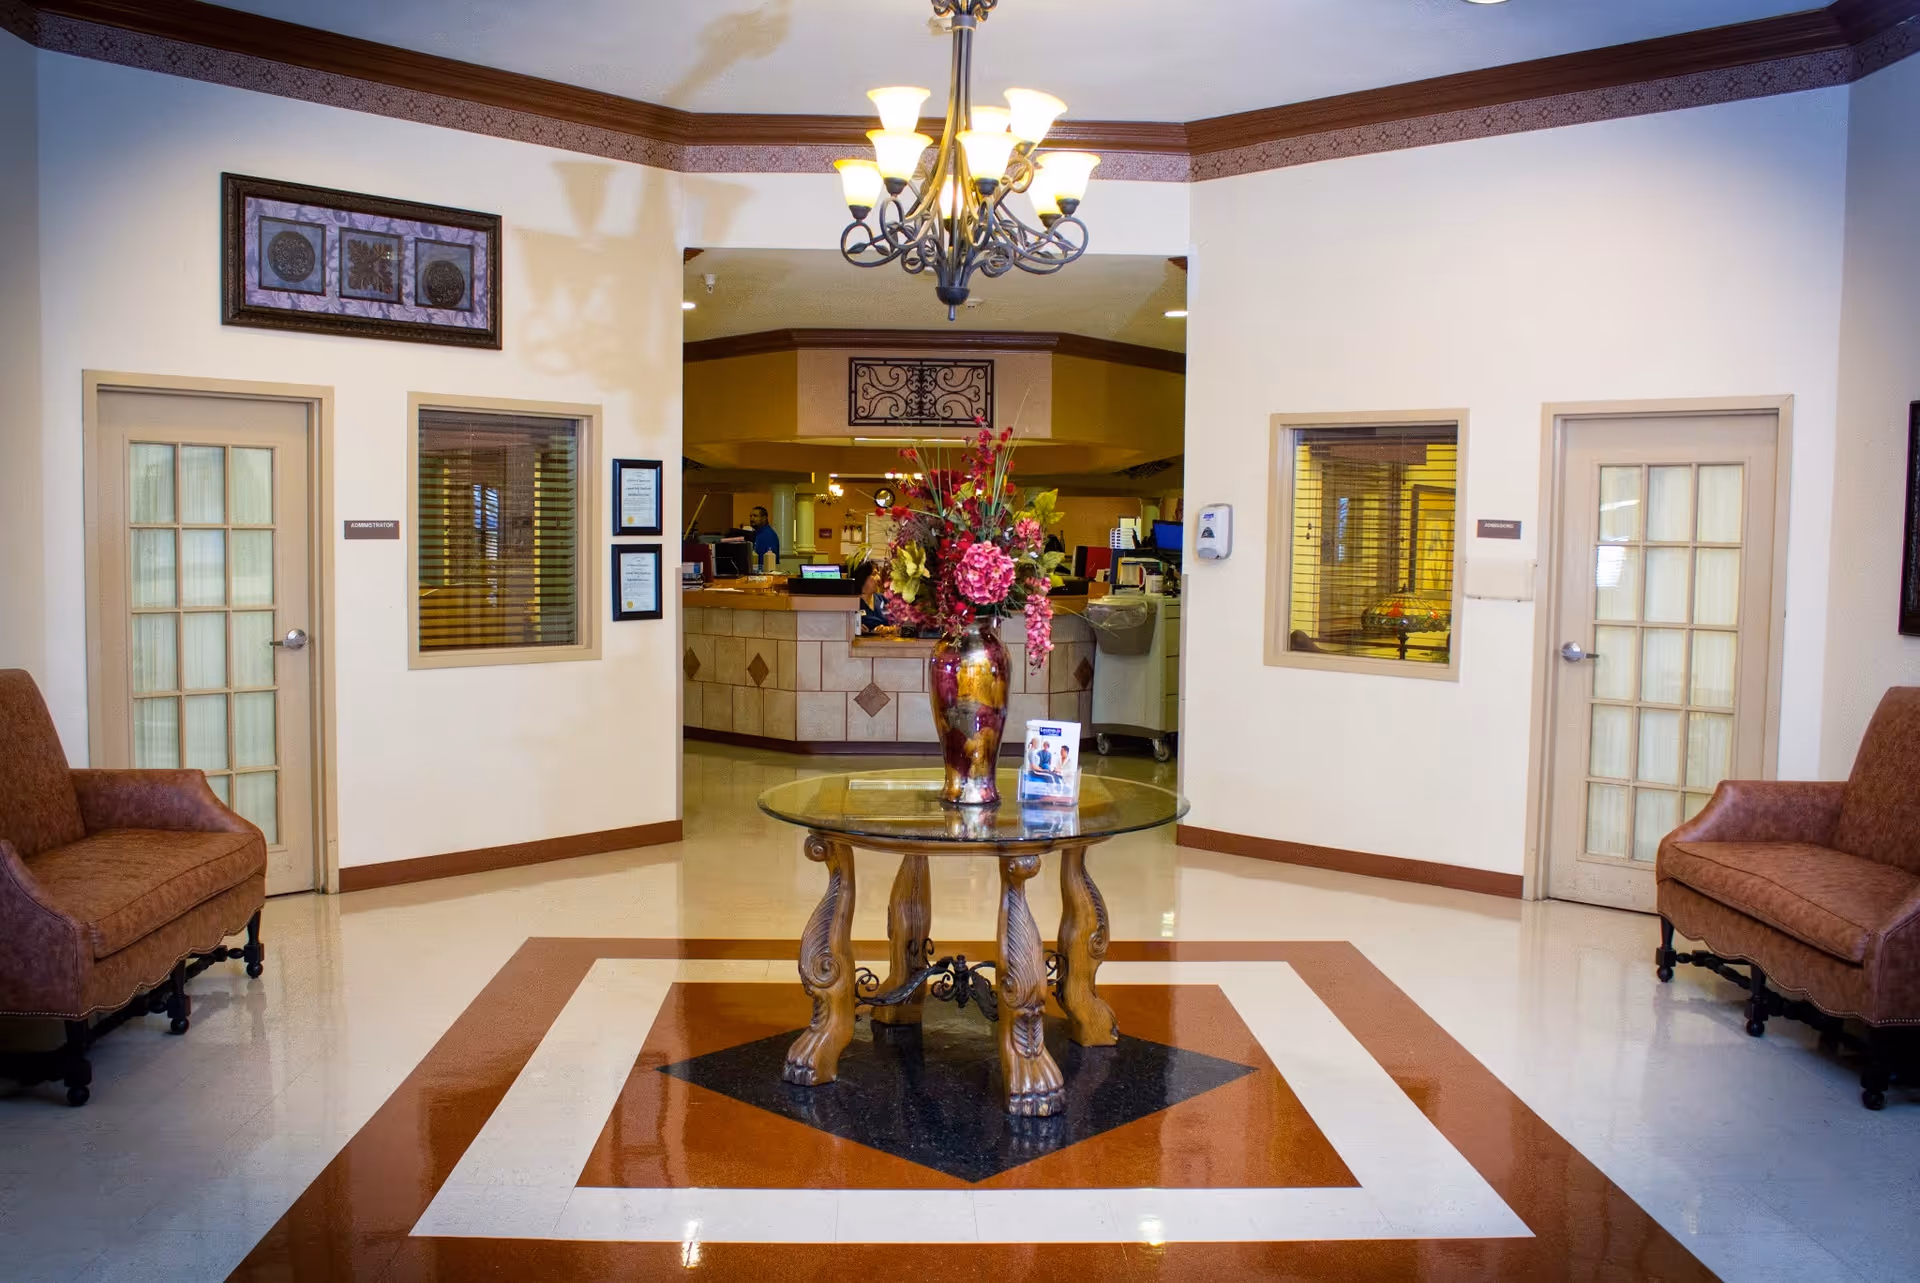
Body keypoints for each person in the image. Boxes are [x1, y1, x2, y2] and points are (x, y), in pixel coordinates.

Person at [853, 560, 889, 634]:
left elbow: (898, 624)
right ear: (863, 577)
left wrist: (888, 629)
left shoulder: (882, 599)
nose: (878, 578)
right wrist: (854, 629)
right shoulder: (852, 603)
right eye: (874, 574)